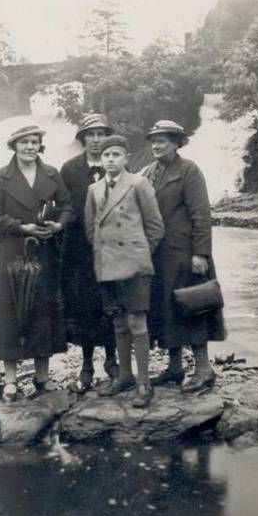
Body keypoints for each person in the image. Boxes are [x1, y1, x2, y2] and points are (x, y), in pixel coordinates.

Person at [0, 124, 74, 401]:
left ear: (40, 145)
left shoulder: (51, 174)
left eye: (34, 142)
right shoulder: (2, 176)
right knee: (9, 313)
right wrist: (23, 227)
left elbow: (69, 207)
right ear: (14, 146)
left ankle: (42, 377)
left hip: (44, 251)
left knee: (42, 313)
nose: (30, 147)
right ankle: (10, 380)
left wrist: (58, 226)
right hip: (11, 253)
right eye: (24, 142)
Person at [142, 120, 225, 393]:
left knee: (193, 307)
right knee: (166, 309)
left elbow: (201, 214)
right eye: (153, 140)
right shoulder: (149, 173)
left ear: (177, 143)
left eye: (162, 140)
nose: (156, 145)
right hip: (159, 255)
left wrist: (201, 253)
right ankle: (175, 368)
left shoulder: (189, 170)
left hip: (186, 254)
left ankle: (203, 369)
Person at [85, 135, 165, 408]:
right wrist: (103, 255)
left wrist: (138, 254)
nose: (110, 159)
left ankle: (144, 383)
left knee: (136, 323)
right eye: (106, 155)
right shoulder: (94, 189)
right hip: (107, 266)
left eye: (116, 155)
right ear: (101, 159)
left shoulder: (139, 184)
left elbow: (155, 227)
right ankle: (125, 377)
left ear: (126, 158)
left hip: (134, 267)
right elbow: (90, 229)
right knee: (118, 322)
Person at [60, 112, 119, 394]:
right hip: (79, 253)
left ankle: (112, 359)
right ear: (82, 139)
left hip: (112, 250)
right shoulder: (70, 170)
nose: (96, 140)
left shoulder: (119, 165)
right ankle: (85, 364)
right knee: (84, 305)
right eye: (91, 135)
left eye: (101, 134)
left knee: (112, 302)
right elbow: (63, 207)